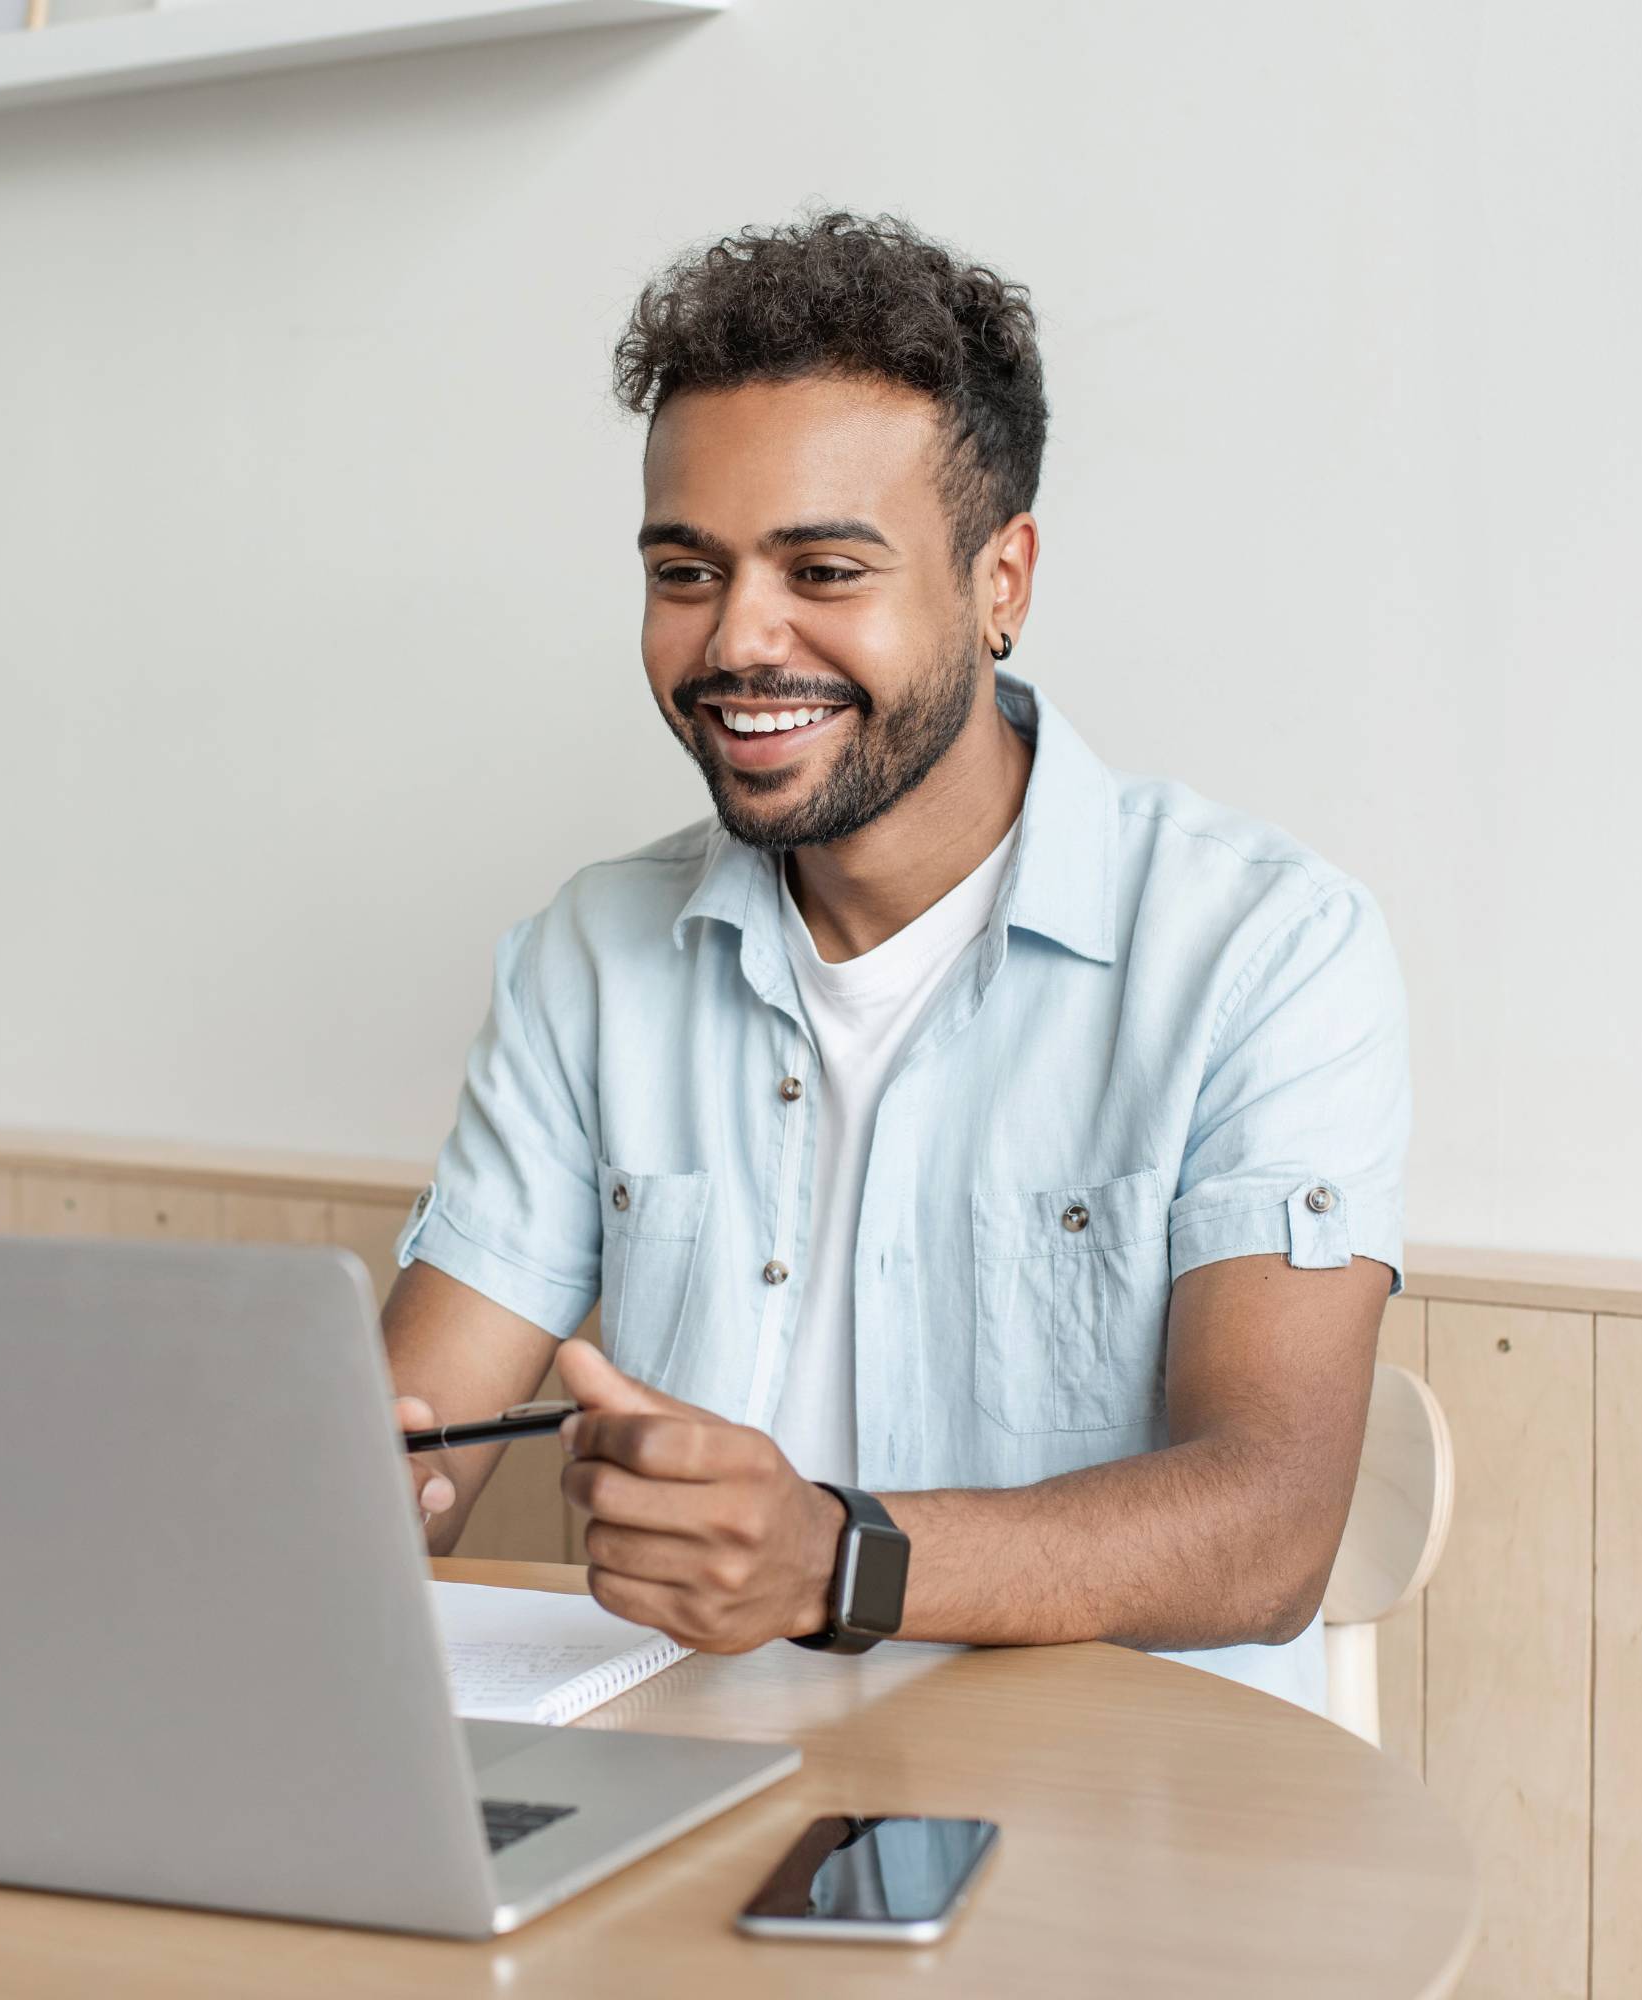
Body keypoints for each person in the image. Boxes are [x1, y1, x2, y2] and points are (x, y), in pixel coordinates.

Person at [385, 211, 1408, 1710]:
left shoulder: (1265, 948)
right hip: (693, 1809)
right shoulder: (586, 959)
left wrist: (833, 1559)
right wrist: (349, 1499)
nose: (739, 639)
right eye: (687, 571)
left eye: (825, 568)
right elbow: (411, 1441)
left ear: (1002, 581)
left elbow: (1266, 1532)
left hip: (1125, 1846)